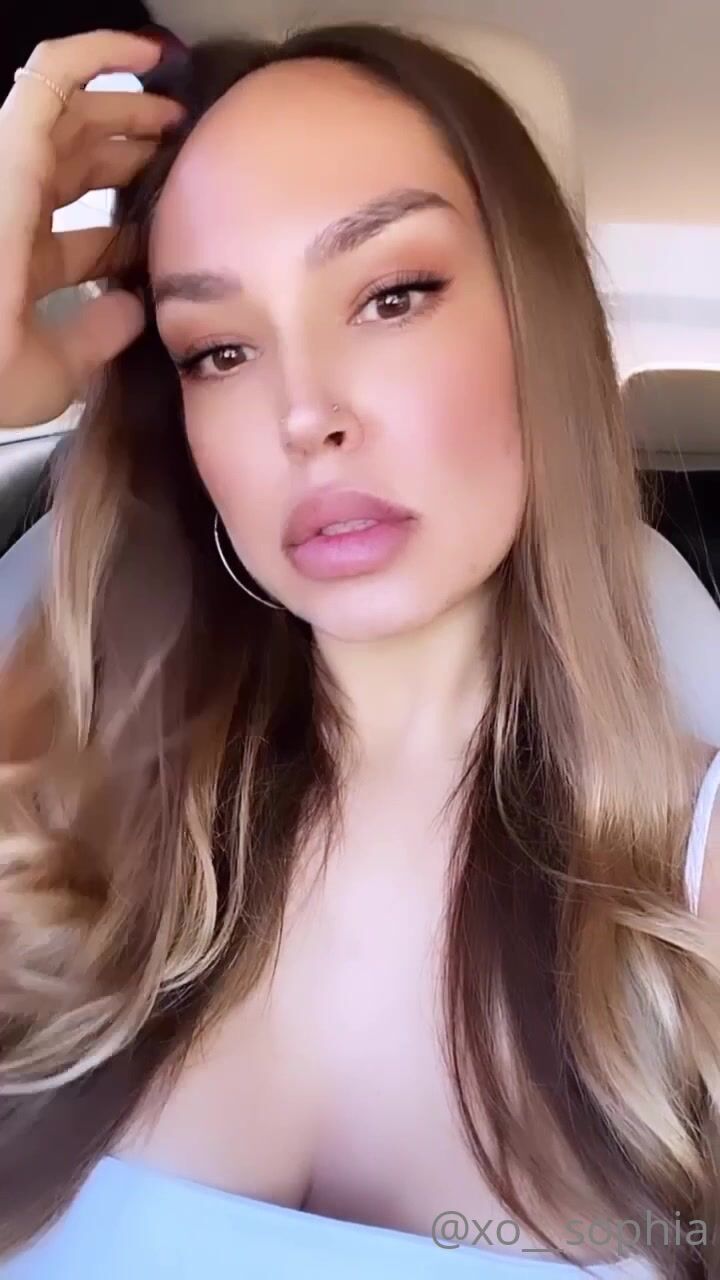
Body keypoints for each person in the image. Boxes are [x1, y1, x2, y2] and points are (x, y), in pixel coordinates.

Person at [0, 23, 718, 1280]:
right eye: (219, 350)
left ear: (538, 321)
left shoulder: (693, 885)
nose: (304, 415)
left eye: (393, 295)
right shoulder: (49, 827)